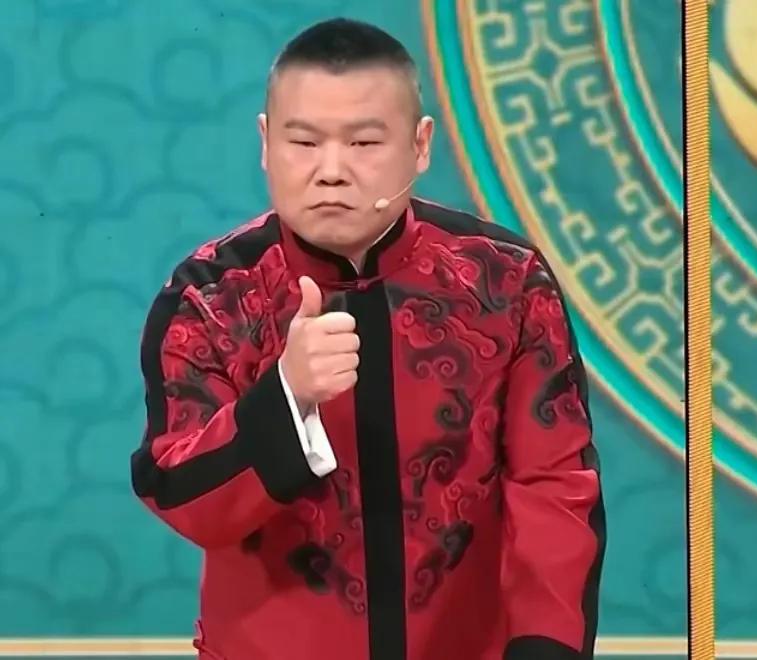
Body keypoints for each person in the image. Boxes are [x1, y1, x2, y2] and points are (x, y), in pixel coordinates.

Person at [130, 17, 606, 660]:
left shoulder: (505, 280)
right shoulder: (211, 297)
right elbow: (179, 492)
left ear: (420, 144)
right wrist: (286, 395)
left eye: (363, 143)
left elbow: (555, 486)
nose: (331, 171)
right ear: (266, 142)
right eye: (304, 142)